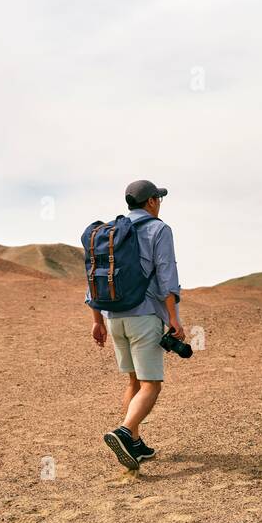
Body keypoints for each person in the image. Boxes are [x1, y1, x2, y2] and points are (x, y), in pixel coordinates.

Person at [90, 179, 184, 470]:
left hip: (114, 317)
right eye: (159, 199)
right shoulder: (159, 229)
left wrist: (97, 321)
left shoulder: (108, 232)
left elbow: (94, 275)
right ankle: (124, 430)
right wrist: (174, 319)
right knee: (151, 385)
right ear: (152, 202)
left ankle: (135, 442)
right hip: (144, 317)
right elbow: (166, 275)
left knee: (133, 381)